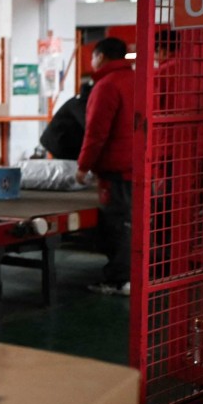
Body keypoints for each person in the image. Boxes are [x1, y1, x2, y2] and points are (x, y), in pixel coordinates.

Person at [75, 37, 134, 296]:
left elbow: (96, 132)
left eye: (93, 56)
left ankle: (119, 280)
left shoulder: (106, 85)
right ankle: (136, 275)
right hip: (141, 165)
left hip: (116, 169)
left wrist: (83, 166)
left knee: (117, 225)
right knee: (133, 223)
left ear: (100, 56)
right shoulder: (139, 81)